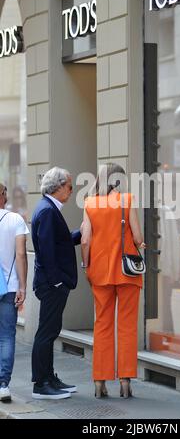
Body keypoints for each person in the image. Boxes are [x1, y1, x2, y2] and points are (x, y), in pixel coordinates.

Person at [81, 163, 146, 399]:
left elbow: (85, 240)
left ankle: (100, 381)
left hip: (99, 271)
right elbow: (138, 236)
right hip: (127, 272)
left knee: (102, 325)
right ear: (118, 180)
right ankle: (126, 381)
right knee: (127, 325)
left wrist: (86, 265)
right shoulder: (127, 200)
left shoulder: (89, 203)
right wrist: (139, 244)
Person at [31, 167, 81, 400]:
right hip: (52, 284)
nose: (71, 192)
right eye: (70, 187)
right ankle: (41, 384)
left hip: (52, 283)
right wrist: (59, 282)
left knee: (50, 332)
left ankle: (49, 378)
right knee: (46, 332)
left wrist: (81, 233)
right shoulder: (48, 211)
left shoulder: (48, 208)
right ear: (59, 187)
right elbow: (48, 253)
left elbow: (59, 242)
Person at [0, 183, 28, 403]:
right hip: (8, 288)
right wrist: (23, 286)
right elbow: (21, 254)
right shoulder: (15, 220)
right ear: (3, 196)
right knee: (7, 336)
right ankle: (3, 385)